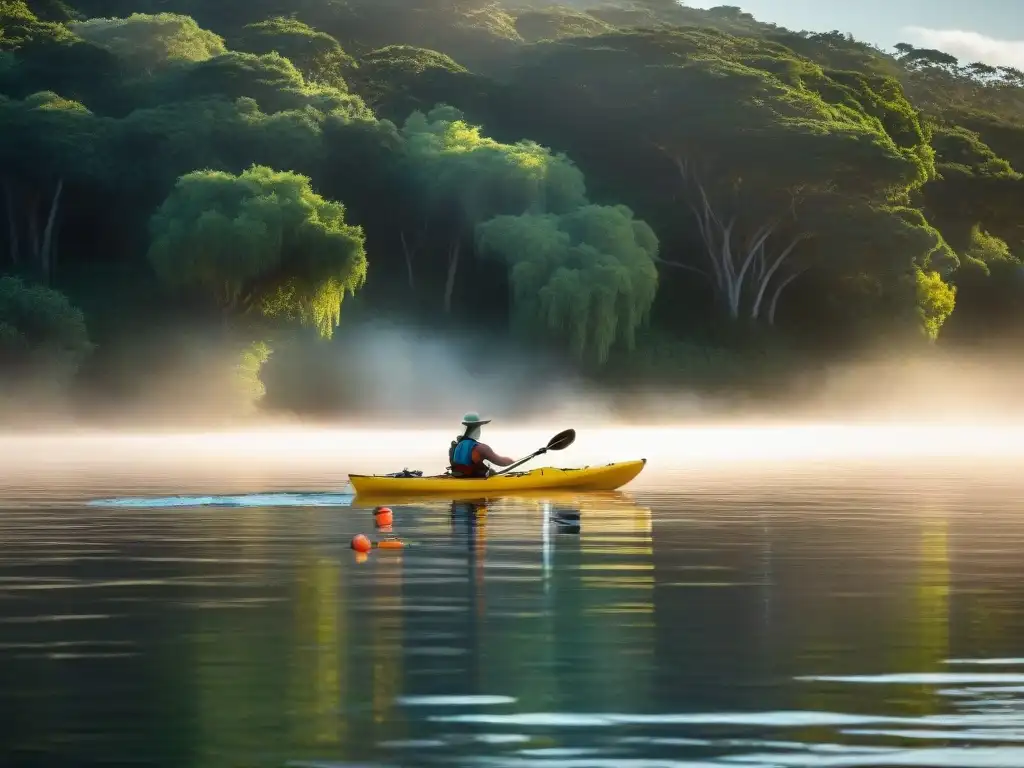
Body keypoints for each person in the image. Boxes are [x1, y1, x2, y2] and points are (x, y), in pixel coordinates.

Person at [448, 412, 515, 478]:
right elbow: (502, 462)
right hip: (473, 483)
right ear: (477, 428)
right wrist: (513, 461)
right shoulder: (481, 448)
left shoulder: (455, 446)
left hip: (458, 478)